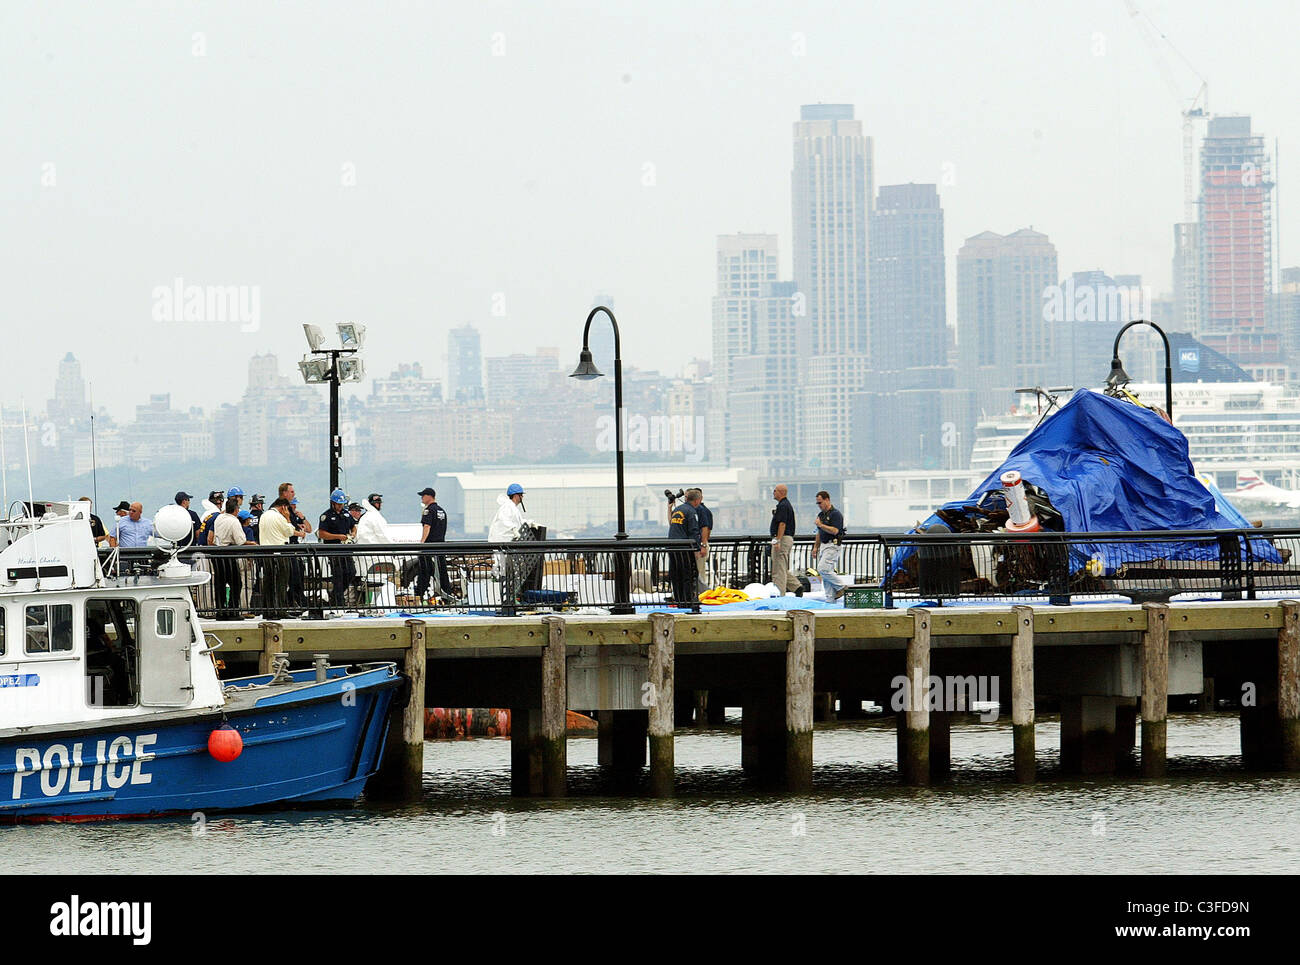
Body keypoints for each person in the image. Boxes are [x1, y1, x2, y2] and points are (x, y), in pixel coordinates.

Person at [489, 483, 533, 615]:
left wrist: (527, 523)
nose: (522, 498)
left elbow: (516, 521)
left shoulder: (512, 507)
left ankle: (510, 601)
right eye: (521, 495)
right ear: (516, 495)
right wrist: (514, 529)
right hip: (502, 545)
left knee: (509, 574)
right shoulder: (507, 507)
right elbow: (505, 521)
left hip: (507, 546)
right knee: (505, 574)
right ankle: (507, 602)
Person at [212, 497, 254, 619]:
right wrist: (251, 544)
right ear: (236, 510)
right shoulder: (234, 521)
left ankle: (220, 611)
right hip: (229, 554)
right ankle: (233, 610)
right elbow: (240, 540)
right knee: (236, 583)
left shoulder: (219, 518)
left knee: (220, 584)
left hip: (217, 553)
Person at [318, 488, 357, 610]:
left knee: (351, 572)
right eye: (338, 504)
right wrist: (337, 537)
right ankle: (338, 601)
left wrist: (353, 534)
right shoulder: (326, 516)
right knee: (338, 575)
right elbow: (322, 534)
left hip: (346, 549)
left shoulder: (346, 514)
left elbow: (353, 526)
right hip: (333, 550)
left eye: (342, 504)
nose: (340, 506)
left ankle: (335, 595)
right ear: (333, 503)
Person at [258, 497, 296, 619]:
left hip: (266, 552)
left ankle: (267, 610)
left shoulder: (264, 515)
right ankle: (280, 610)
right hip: (279, 552)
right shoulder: (280, 517)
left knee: (268, 582)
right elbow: (289, 532)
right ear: (284, 507)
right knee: (281, 582)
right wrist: (288, 518)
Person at [415, 487, 451, 601]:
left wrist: (422, 543)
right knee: (442, 572)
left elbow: (427, 526)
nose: (421, 498)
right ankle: (447, 596)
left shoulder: (428, 510)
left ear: (429, 496)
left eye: (423, 495)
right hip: (441, 546)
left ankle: (419, 596)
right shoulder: (442, 511)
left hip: (429, 547)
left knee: (425, 571)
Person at [813, 490, 849, 602]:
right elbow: (818, 532)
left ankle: (842, 587)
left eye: (820, 502)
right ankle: (830, 598)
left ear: (827, 500)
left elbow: (835, 530)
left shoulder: (835, 514)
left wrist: (821, 525)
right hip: (823, 545)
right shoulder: (821, 515)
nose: (819, 505)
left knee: (822, 569)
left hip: (832, 545)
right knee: (826, 574)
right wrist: (815, 547)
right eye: (817, 503)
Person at [668, 492, 703, 604]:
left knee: (676, 574)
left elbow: (672, 525)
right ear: (697, 500)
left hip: (672, 547)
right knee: (688, 574)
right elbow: (694, 531)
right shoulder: (691, 512)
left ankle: (678, 599)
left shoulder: (677, 510)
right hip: (685, 548)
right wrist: (696, 549)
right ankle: (687, 600)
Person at [770, 484, 802, 596]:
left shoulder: (783, 506)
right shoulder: (784, 505)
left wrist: (778, 540)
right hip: (784, 538)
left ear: (781, 492)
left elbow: (782, 523)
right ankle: (796, 587)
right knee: (780, 566)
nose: (773, 493)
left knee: (779, 568)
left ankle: (780, 594)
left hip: (782, 538)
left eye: (775, 491)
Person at [688, 488, 713, 594]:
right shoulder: (692, 510)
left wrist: (703, 545)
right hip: (695, 545)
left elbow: (706, 528)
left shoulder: (702, 510)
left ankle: (701, 594)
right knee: (695, 572)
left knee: (699, 572)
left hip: (699, 545)